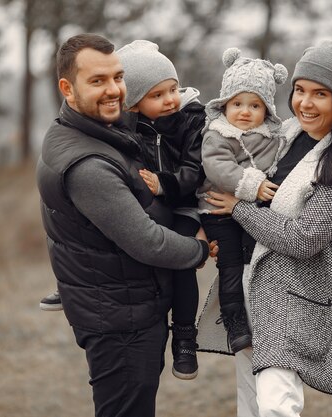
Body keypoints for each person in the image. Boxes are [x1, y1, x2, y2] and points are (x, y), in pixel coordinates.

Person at [36, 33, 215, 417]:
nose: (113, 89)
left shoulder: (94, 131)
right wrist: (201, 248)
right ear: (67, 88)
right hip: (121, 323)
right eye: (97, 81)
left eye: (118, 77)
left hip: (125, 308)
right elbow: (147, 241)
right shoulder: (89, 165)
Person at [204, 40, 332, 416]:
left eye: (320, 94)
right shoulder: (283, 135)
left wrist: (239, 210)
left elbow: (304, 238)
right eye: (300, 90)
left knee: (277, 405)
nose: (305, 103)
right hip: (251, 284)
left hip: (295, 302)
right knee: (249, 399)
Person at [115, 39, 206, 380]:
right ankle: (75, 285)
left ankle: (184, 336)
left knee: (182, 256)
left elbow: (196, 169)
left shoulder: (192, 119)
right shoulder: (128, 127)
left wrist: (165, 183)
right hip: (151, 204)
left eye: (173, 89)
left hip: (186, 203)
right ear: (136, 104)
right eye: (158, 95)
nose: (171, 100)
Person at [196, 47, 288, 353]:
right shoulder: (217, 133)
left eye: (255, 105)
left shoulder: (272, 136)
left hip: (252, 211)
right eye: (237, 103)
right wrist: (253, 185)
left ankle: (264, 315)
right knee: (231, 263)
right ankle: (234, 321)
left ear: (267, 110)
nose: (245, 112)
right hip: (219, 211)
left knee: (258, 262)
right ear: (225, 105)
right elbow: (218, 168)